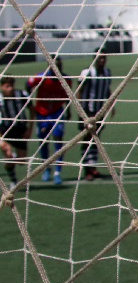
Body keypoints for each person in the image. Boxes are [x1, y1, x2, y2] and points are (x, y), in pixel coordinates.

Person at [27, 56, 72, 185]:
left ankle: (57, 172)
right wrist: (28, 99)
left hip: (57, 112)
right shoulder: (40, 77)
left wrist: (68, 110)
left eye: (58, 65)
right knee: (43, 141)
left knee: (58, 140)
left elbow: (68, 95)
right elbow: (28, 83)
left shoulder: (66, 79)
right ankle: (46, 167)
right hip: (42, 113)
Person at [76, 51, 114, 181]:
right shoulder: (87, 72)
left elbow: (107, 90)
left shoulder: (107, 72)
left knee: (95, 139)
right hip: (87, 111)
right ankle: (87, 170)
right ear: (95, 58)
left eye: (104, 57)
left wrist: (110, 105)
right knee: (87, 139)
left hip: (99, 111)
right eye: (100, 57)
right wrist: (80, 110)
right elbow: (79, 90)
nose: (102, 60)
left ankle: (93, 168)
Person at [1, 76, 32, 185]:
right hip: (5, 130)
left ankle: (13, 159)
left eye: (11, 86)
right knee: (7, 154)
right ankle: (13, 180)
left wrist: (30, 128)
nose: (10, 89)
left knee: (22, 160)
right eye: (7, 86)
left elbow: (32, 109)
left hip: (20, 129)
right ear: (1, 87)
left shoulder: (21, 94)